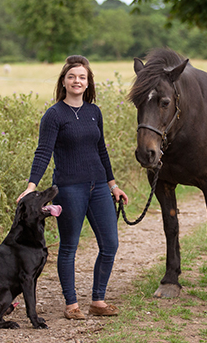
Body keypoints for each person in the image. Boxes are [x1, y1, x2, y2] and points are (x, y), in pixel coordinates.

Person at [17, 55, 129, 321]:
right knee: (69, 246)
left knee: (110, 244)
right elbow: (43, 152)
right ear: (64, 81)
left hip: (99, 186)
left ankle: (98, 300)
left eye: (82, 77)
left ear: (88, 82)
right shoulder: (54, 115)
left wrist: (113, 185)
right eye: (72, 76)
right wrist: (32, 185)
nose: (77, 81)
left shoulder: (94, 112)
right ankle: (71, 304)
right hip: (69, 188)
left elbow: (101, 150)